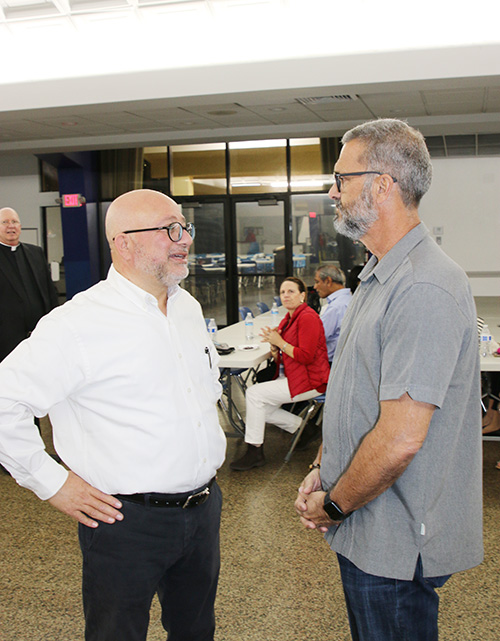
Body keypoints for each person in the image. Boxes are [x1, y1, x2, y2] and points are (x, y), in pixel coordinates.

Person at [0, 189, 226, 641]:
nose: (183, 240)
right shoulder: (78, 324)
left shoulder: (187, 306)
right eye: (169, 230)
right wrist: (53, 483)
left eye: (185, 228)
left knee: (196, 629)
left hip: (203, 510)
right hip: (125, 522)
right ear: (124, 243)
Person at [294, 119, 483, 641]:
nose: (332, 192)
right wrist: (322, 467)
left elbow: (400, 438)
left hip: (393, 541)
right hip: (366, 521)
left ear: (383, 184)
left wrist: (333, 505)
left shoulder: (423, 285)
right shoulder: (380, 274)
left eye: (341, 179)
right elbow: (356, 396)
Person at [230, 276, 330, 471]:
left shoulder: (308, 317)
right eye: (283, 292)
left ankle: (254, 451)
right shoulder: (289, 318)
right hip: (295, 377)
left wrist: (280, 342)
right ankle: (305, 428)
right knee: (260, 410)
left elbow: (307, 356)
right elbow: (287, 357)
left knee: (254, 394)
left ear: (302, 296)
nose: (285, 295)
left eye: (291, 291)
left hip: (311, 381)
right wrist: (276, 350)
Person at [0, 206, 59, 362]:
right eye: (5, 222)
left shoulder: (35, 253)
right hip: (6, 342)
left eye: (14, 222)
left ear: (20, 226)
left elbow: (50, 292)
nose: (10, 226)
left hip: (39, 337)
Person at [313, 264, 352, 363]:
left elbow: (317, 338)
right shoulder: (349, 299)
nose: (315, 287)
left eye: (317, 282)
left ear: (328, 281)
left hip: (330, 364)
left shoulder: (336, 307)